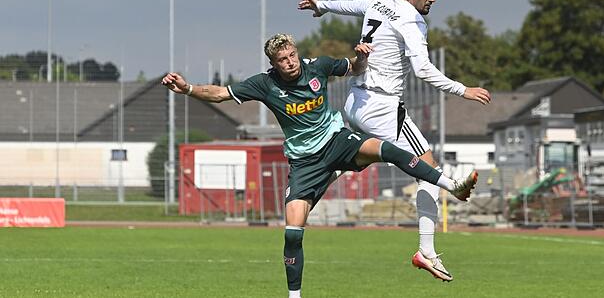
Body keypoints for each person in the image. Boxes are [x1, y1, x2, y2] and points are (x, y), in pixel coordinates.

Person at [161, 33, 478, 298]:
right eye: (282, 59)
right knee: (292, 233)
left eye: (292, 55)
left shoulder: (319, 66)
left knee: (388, 149)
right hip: (304, 162)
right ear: (273, 64)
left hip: (336, 141)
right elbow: (220, 93)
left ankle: (452, 185)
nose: (290, 62)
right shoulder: (265, 84)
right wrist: (187, 89)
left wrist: (361, 58)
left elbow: (354, 68)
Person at [297, 0, 491, 282]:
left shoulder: (379, 3)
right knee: (427, 169)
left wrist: (322, 5)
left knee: (354, 160)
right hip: (381, 106)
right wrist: (463, 90)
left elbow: (350, 5)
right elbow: (423, 69)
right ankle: (426, 250)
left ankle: (308, 189)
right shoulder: (412, 20)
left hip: (355, 100)